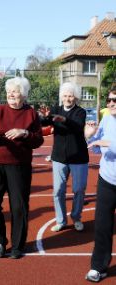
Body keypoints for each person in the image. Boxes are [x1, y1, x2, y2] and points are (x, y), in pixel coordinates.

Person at [0, 77, 44, 259]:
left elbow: (38, 140)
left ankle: (18, 246)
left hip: (19, 166)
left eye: (15, 91)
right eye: (9, 91)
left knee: (19, 207)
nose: (10, 94)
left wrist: (24, 133)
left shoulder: (31, 114)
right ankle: (0, 240)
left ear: (23, 95)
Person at [40, 82, 89, 232]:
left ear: (76, 97)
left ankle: (76, 217)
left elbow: (78, 126)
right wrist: (46, 116)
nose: (68, 98)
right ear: (62, 96)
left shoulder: (80, 112)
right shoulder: (55, 109)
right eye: (66, 95)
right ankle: (61, 220)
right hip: (59, 157)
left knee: (79, 189)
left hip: (79, 157)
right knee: (58, 191)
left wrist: (64, 120)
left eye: (71, 95)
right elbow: (43, 122)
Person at [84, 90, 116, 282]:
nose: (111, 103)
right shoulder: (106, 118)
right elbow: (97, 147)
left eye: (115, 100)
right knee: (102, 225)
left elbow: (108, 144)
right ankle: (98, 267)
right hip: (107, 179)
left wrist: (108, 143)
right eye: (109, 99)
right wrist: (90, 136)